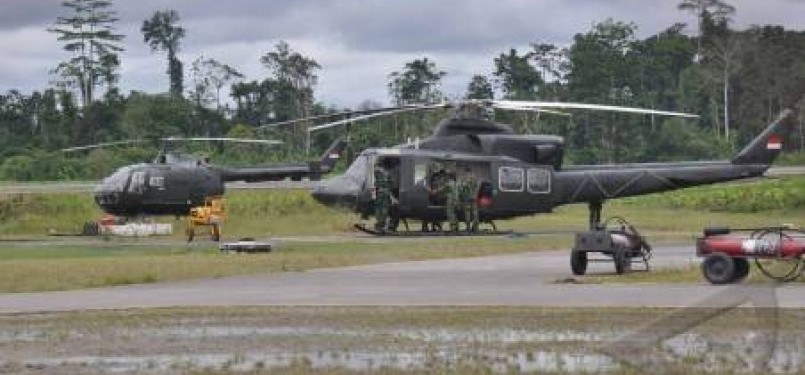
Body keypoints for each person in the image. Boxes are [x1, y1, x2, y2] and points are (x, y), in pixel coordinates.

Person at [458, 167, 480, 232]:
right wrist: (475, 194)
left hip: (466, 198)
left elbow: (461, 189)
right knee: (475, 213)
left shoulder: (463, 179)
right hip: (474, 198)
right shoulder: (475, 178)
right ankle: (476, 228)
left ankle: (468, 228)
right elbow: (478, 187)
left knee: (467, 213)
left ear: (465, 172)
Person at [373, 162, 392, 232]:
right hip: (384, 194)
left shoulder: (378, 173)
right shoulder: (386, 173)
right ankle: (381, 225)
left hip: (382, 194)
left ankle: (381, 225)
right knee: (382, 210)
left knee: (381, 210)